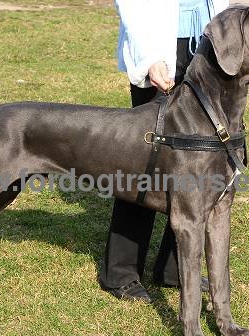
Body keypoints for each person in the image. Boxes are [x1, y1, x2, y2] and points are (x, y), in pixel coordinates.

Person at [99, 0, 230, 302]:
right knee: (145, 160)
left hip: (208, 42)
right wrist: (149, 58)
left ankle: (173, 269)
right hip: (161, 45)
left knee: (197, 161)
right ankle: (121, 272)